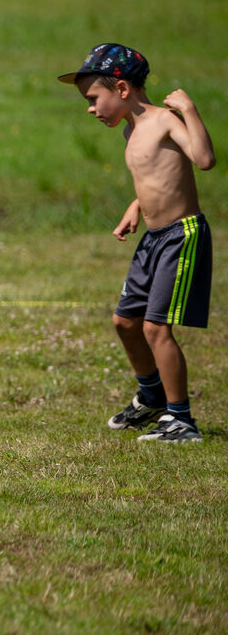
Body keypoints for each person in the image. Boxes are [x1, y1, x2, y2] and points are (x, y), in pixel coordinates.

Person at [61, 43, 215, 443]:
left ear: (123, 89)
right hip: (152, 237)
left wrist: (190, 110)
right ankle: (151, 397)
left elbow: (202, 160)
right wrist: (136, 206)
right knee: (124, 322)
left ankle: (181, 420)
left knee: (155, 329)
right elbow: (157, 174)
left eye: (94, 99)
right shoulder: (131, 128)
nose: (91, 109)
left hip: (181, 237)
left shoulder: (165, 121)